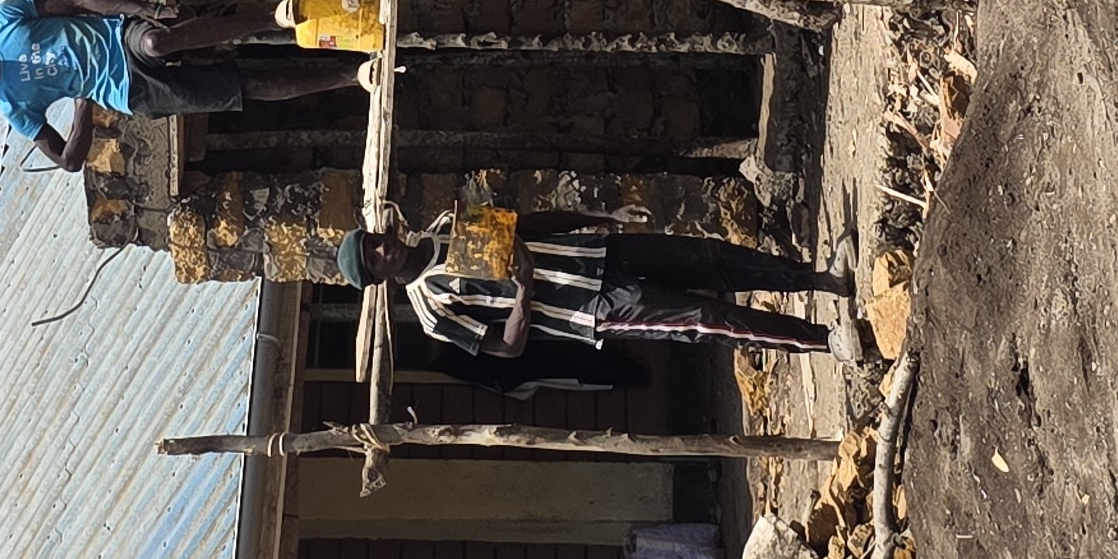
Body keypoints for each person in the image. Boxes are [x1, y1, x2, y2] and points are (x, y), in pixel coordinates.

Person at [0, 0, 365, 172]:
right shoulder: (14, 107)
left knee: (156, 44)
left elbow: (80, 3)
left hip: (119, 39)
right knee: (241, 89)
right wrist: (83, 107)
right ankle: (351, 75)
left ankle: (272, 18)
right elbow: (68, 160)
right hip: (123, 92)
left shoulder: (5, 20)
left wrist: (136, 10)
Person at [340, 216, 863, 359]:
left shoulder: (442, 228)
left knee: (708, 258)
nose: (385, 250)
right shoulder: (432, 309)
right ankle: (824, 341)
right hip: (592, 306)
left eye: (377, 242)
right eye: (375, 260)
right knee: (704, 319)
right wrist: (524, 292)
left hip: (599, 254)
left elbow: (529, 224)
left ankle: (822, 278)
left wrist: (598, 217)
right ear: (379, 279)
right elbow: (504, 347)